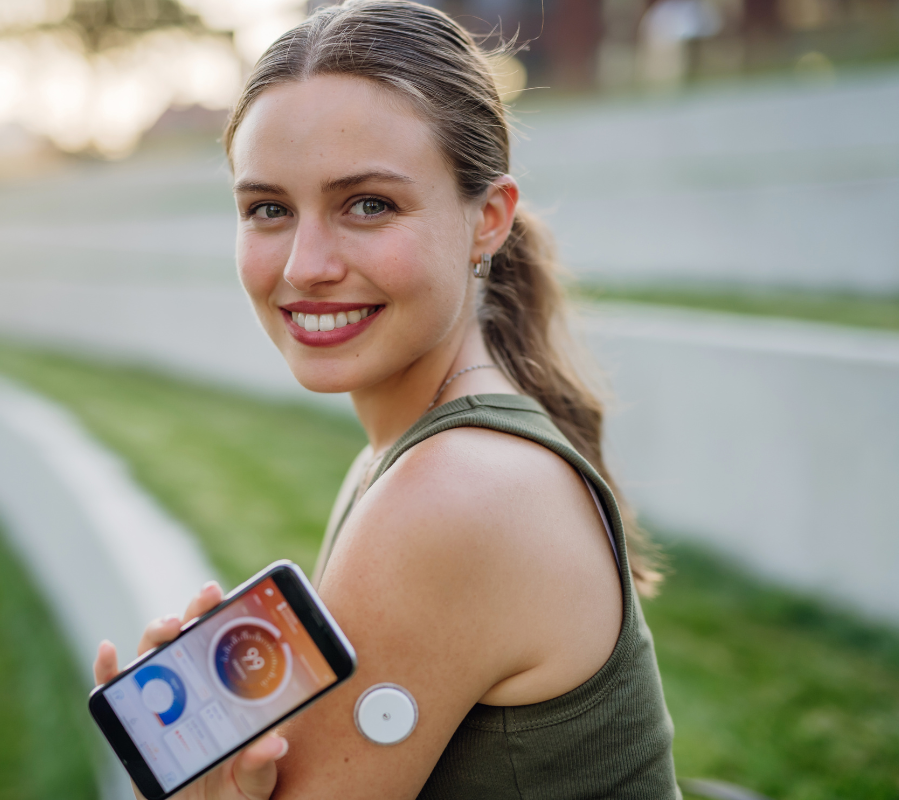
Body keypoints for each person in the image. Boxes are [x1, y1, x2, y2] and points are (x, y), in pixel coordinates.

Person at [94, 1, 680, 797]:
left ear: (489, 220)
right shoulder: (405, 456)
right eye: (268, 209)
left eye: (368, 204)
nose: (306, 265)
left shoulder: (455, 494)